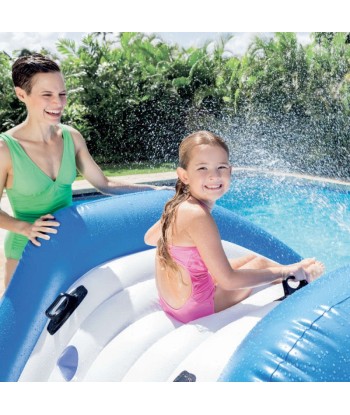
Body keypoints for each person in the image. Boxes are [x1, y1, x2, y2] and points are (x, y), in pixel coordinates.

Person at [0, 53, 169, 288]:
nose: (57, 103)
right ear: (21, 94)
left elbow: (104, 184)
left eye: (62, 94)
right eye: (46, 95)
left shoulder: (71, 137)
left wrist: (156, 190)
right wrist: (26, 228)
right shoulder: (5, 149)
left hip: (70, 245)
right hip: (25, 253)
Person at [144, 130, 325, 323]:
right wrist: (286, 271)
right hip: (197, 307)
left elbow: (149, 238)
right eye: (202, 168)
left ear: (230, 171)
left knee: (253, 260)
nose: (214, 176)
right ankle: (300, 275)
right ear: (184, 175)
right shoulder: (197, 215)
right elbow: (228, 281)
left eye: (221, 167)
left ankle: (299, 271)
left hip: (173, 303)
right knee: (262, 264)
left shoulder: (177, 205)